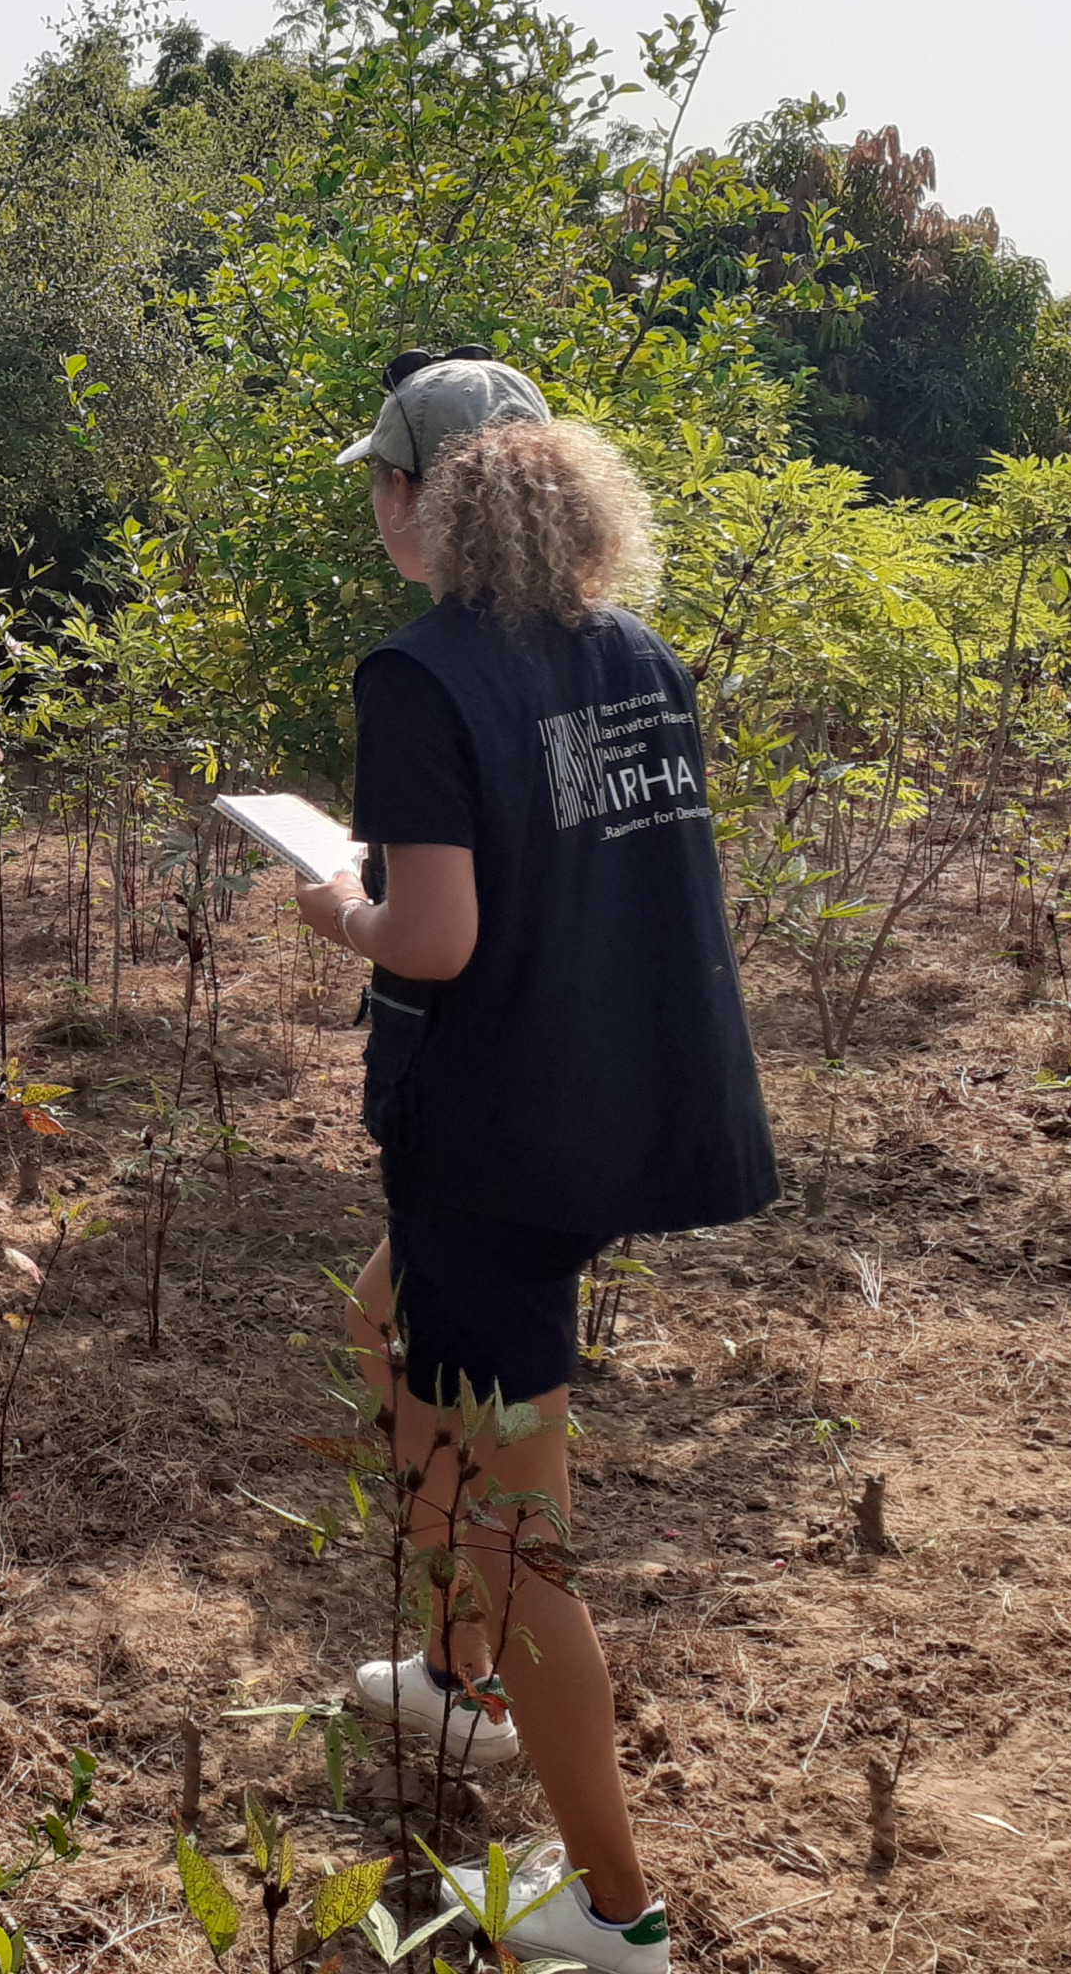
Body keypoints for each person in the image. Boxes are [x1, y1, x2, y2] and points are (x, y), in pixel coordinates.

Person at [293, 350, 775, 1974]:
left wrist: (335, 912)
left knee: (521, 1532)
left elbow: (433, 936)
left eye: (381, 479)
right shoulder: (634, 655)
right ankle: (460, 1677)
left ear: (427, 495)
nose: (375, 505)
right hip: (592, 1116)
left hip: (491, 1144)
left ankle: (620, 1911)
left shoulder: (421, 677)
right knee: (383, 1325)